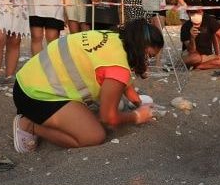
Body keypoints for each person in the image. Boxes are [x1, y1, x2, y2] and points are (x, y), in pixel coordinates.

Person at [12, 19, 163, 152]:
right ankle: (30, 125)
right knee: (93, 136)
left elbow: (125, 84)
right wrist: (137, 116)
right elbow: (108, 118)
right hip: (35, 97)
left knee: (111, 106)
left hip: (26, 81)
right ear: (139, 49)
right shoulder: (118, 67)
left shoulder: (113, 38)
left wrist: (138, 102)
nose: (147, 63)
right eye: (148, 56)